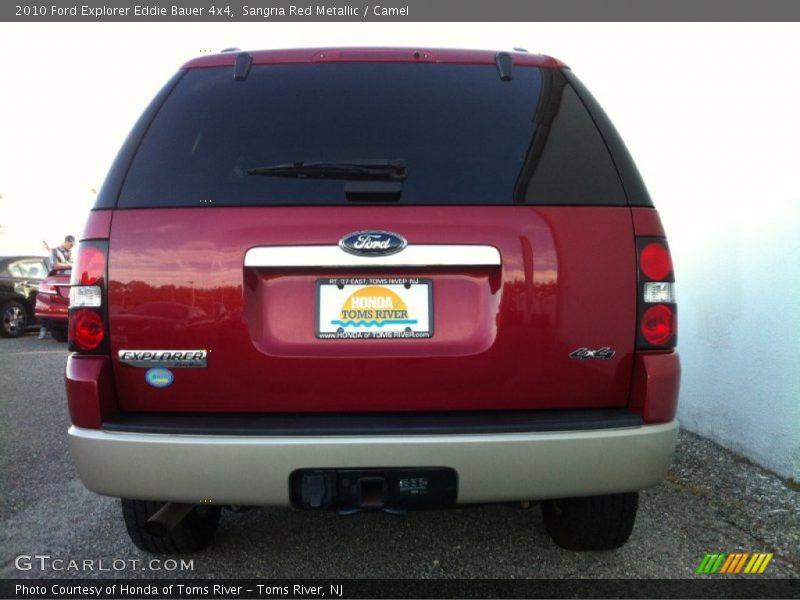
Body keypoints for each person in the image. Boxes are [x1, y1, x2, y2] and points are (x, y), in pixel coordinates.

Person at [39, 235, 75, 339]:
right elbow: (54, 265)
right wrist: (68, 265)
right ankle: (43, 328)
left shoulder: (69, 252)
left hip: (66, 278)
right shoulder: (55, 251)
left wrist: (67, 264)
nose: (72, 247)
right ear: (66, 242)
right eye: (71, 244)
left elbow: (70, 263)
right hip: (53, 278)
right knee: (47, 303)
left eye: (73, 245)